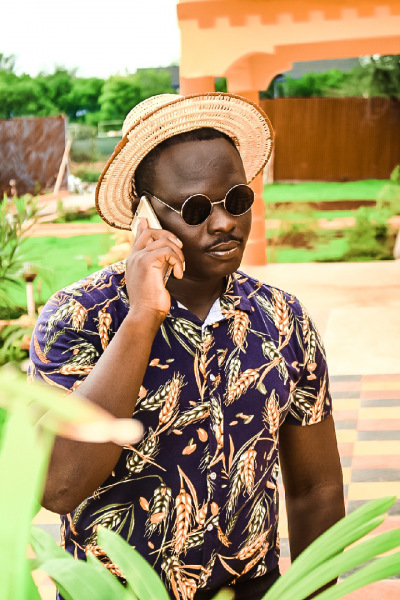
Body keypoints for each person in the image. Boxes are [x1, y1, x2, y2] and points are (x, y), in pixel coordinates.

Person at [29, 93, 345, 600]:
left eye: (236, 199)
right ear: (147, 218)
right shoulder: (79, 316)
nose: (223, 222)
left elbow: (317, 488)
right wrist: (142, 317)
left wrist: (315, 594)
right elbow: (59, 487)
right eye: (196, 208)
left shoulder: (284, 319)